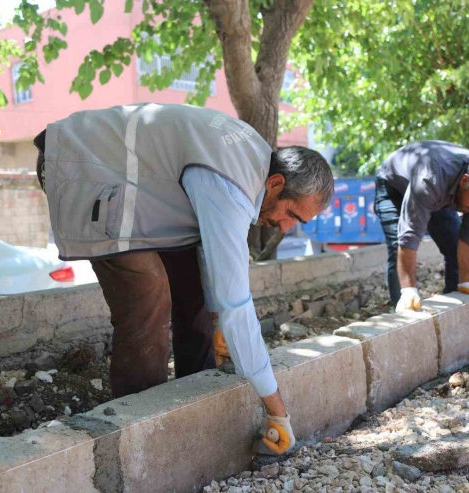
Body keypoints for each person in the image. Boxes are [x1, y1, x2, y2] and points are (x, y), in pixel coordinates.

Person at [33, 103, 334, 455]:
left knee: (194, 291)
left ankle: (195, 396)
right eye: (291, 214)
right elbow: (236, 299)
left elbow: (211, 257)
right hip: (81, 161)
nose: (286, 227)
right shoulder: (231, 183)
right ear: (276, 183)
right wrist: (276, 409)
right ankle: (140, 427)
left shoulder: (251, 165)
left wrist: (220, 319)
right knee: (148, 292)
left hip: (134, 184)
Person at [374, 140, 469, 312]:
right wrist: (409, 289)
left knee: (453, 247)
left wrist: (465, 282)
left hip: (440, 192)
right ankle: (403, 311)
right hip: (392, 185)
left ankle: (455, 305)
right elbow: (409, 235)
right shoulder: (429, 178)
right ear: (464, 180)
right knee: (397, 248)